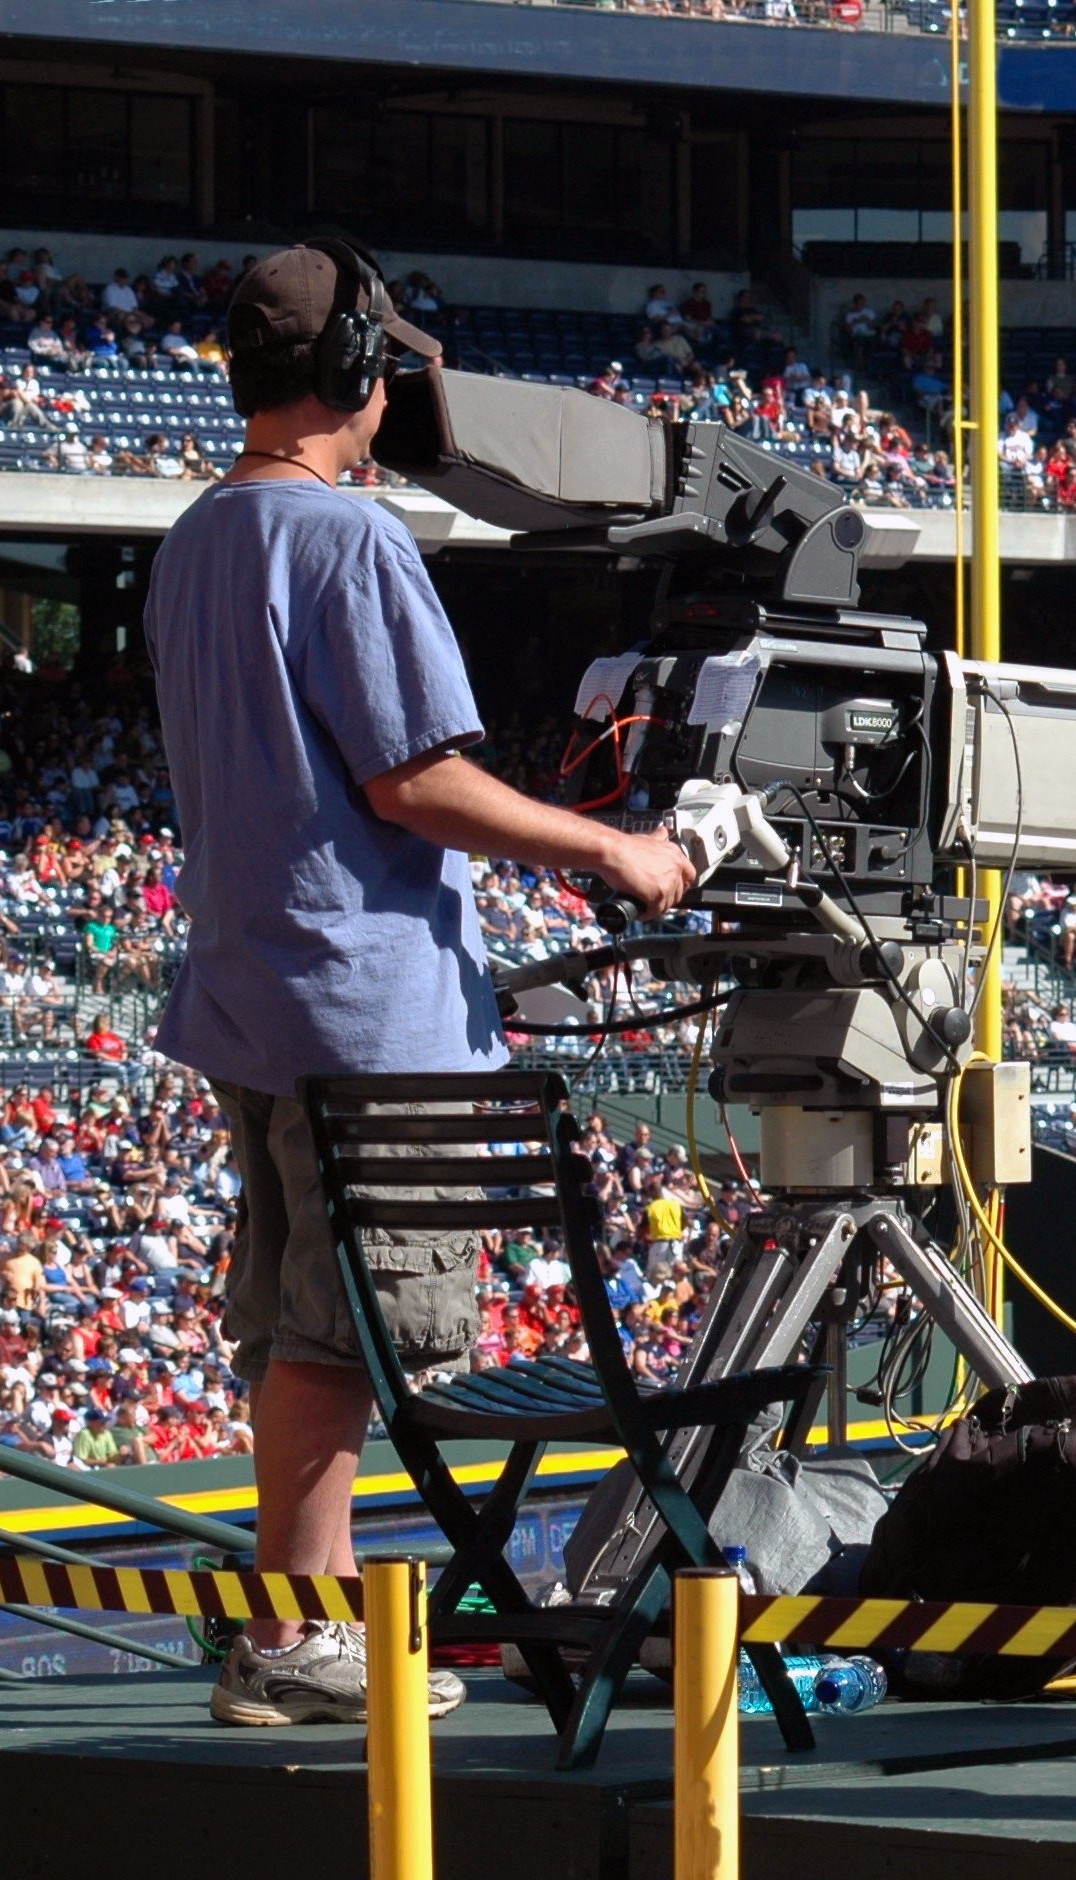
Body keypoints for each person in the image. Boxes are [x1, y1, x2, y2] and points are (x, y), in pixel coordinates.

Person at [144, 241, 694, 1734]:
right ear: (352, 378)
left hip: (252, 1002)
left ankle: (286, 1629)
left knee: (293, 1330)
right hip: (364, 1009)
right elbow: (416, 782)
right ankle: (295, 1634)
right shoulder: (348, 542)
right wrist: (612, 849)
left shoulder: (198, 535)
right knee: (347, 1338)